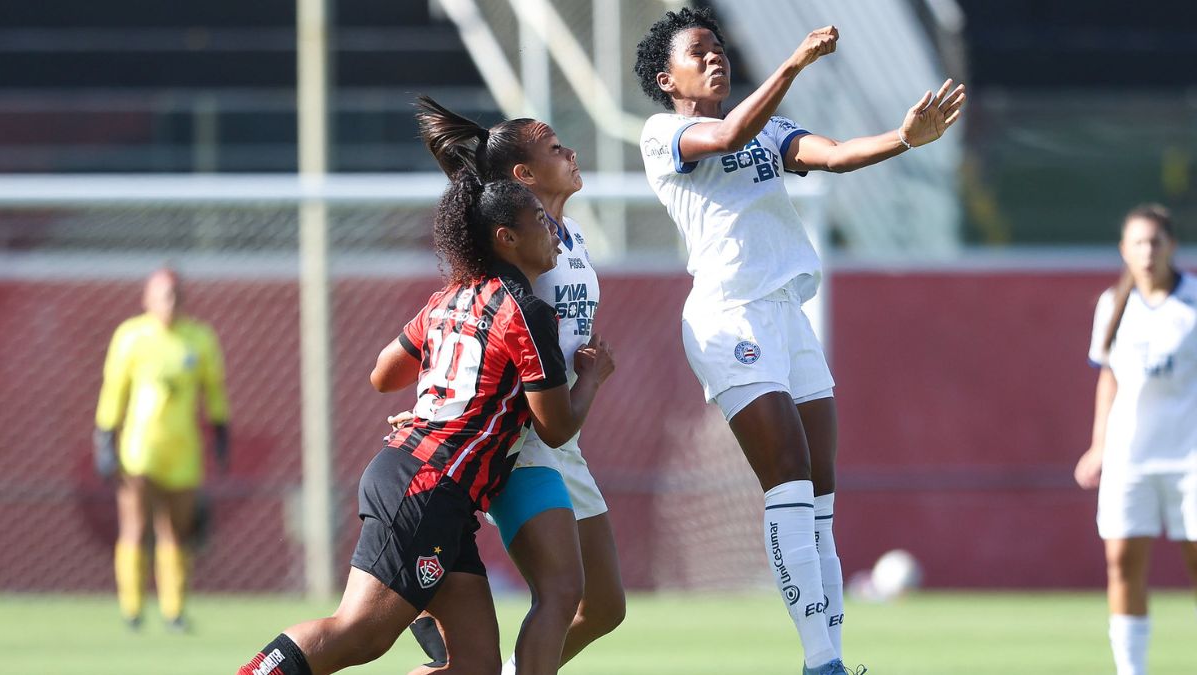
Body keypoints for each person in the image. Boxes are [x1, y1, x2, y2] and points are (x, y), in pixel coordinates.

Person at [633, 7, 964, 675]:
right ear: (669, 77)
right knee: (785, 477)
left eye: (719, 45)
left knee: (819, 496)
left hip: (789, 317)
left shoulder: (768, 128)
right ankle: (819, 663)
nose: (716, 55)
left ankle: (832, 659)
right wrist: (794, 62)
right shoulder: (663, 131)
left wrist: (903, 138)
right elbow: (728, 135)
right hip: (729, 319)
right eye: (700, 50)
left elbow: (835, 155)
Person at [236, 174, 614, 675]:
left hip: (431, 482)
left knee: (474, 665)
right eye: (540, 222)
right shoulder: (527, 312)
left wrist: (444, 393)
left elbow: (382, 374)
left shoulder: (451, 297)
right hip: (428, 486)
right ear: (508, 237)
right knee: (360, 633)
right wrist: (590, 378)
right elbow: (556, 429)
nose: (552, 232)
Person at [400, 96, 626, 675]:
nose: (571, 153)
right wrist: (436, 408)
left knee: (604, 607)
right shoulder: (510, 249)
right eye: (555, 148)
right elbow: (464, 328)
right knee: (560, 596)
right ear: (523, 175)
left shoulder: (566, 233)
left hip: (562, 438)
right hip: (523, 439)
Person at [1074, 205, 1197, 675]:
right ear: (1124, 250)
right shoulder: (1112, 304)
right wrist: (1099, 445)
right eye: (1138, 243)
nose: (1148, 252)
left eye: (1156, 242)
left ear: (1172, 246)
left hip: (1189, 456)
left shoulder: (1191, 301)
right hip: (1131, 457)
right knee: (1122, 562)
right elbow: (1109, 378)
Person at [93, 268, 229, 632]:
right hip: (140, 449)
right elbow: (114, 390)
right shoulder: (131, 336)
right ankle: (132, 611)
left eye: (175, 294)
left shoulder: (199, 338)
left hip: (182, 451)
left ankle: (174, 611)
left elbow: (214, 390)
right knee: (135, 527)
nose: (170, 302)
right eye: (162, 294)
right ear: (147, 298)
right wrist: (105, 436)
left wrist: (220, 431)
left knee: (175, 531)